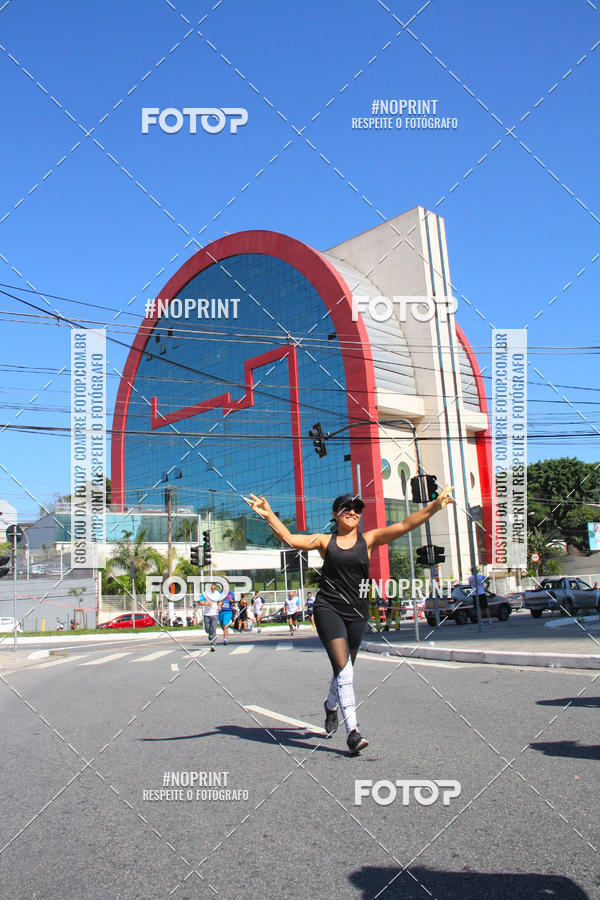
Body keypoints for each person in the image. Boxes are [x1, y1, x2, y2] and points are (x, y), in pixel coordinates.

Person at [244, 486, 454, 756]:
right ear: (335, 514)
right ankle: (352, 732)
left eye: (357, 508)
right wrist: (269, 515)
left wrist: (435, 506)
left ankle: (331, 705)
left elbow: (404, 525)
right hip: (328, 607)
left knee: (345, 668)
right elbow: (290, 539)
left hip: (357, 611)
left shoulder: (369, 540)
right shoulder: (324, 541)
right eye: (346, 508)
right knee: (344, 671)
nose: (352, 512)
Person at [201, 583, 221, 651]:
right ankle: (209, 634)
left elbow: (220, 601)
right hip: (206, 614)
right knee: (207, 629)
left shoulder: (217, 594)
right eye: (211, 589)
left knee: (213, 628)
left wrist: (219, 606)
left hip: (215, 614)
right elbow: (200, 602)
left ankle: (213, 644)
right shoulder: (204, 594)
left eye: (214, 589)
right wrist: (206, 604)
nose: (213, 590)